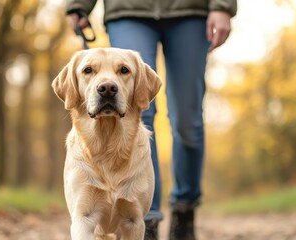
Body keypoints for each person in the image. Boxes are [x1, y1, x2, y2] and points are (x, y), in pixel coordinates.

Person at [65, 0, 237, 239]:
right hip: (129, 9)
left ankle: (184, 208)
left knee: (187, 122)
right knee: (138, 109)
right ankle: (148, 218)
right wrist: (78, 4)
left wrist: (223, 5)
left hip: (190, 10)